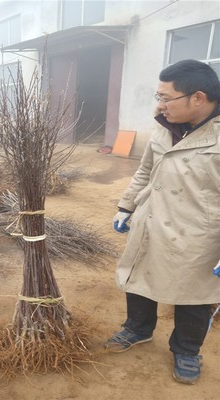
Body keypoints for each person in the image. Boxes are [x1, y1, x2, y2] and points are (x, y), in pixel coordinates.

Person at [106, 59, 220, 385]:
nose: (160, 105)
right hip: (151, 218)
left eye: (166, 97)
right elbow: (144, 170)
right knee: (140, 277)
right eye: (158, 96)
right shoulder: (164, 124)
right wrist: (126, 207)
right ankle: (138, 329)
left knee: (194, 294)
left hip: (198, 232)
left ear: (198, 98)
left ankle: (186, 349)